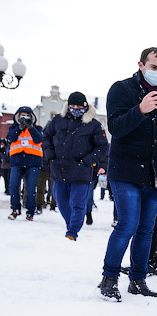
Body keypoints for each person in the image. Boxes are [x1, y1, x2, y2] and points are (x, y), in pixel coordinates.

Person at [98, 47, 157, 301]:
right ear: (141, 65)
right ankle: (109, 278)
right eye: (154, 67)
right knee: (127, 224)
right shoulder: (122, 89)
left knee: (146, 229)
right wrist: (140, 109)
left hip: (154, 173)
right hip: (126, 171)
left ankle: (138, 280)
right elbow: (115, 128)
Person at [42, 91, 109, 241]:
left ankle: (72, 232)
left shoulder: (94, 125)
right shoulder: (57, 120)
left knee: (78, 204)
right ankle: (70, 225)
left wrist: (87, 161)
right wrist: (50, 154)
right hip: (59, 169)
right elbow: (46, 136)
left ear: (85, 107)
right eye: (72, 105)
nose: (75, 109)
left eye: (79, 106)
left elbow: (103, 147)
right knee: (61, 202)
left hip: (81, 171)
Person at [6, 106, 44, 221]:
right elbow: (11, 138)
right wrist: (19, 128)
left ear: (32, 117)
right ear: (18, 116)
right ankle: (15, 209)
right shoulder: (13, 128)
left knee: (31, 188)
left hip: (33, 162)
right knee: (13, 186)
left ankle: (30, 212)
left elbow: (39, 139)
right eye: (22, 115)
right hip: (17, 162)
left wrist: (30, 127)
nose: (25, 117)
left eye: (27, 116)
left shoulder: (37, 128)